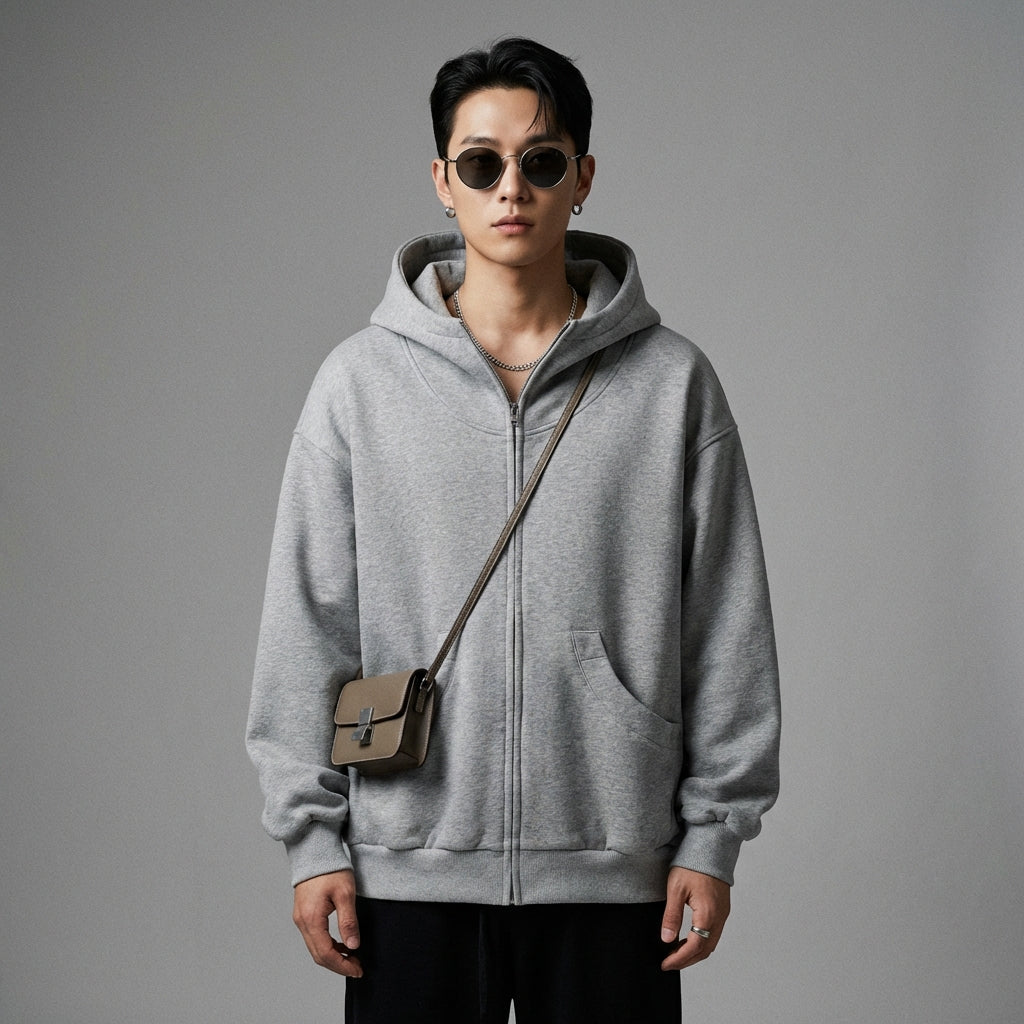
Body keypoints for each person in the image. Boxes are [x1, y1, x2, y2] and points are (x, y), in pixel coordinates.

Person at [247, 36, 780, 1023]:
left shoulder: (671, 384)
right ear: (442, 182)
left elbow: (725, 621)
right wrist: (312, 842)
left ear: (582, 177)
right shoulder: (358, 385)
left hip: (615, 869)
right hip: (405, 870)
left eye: (540, 161)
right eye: (481, 163)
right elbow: (307, 621)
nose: (511, 189)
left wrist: (712, 837)